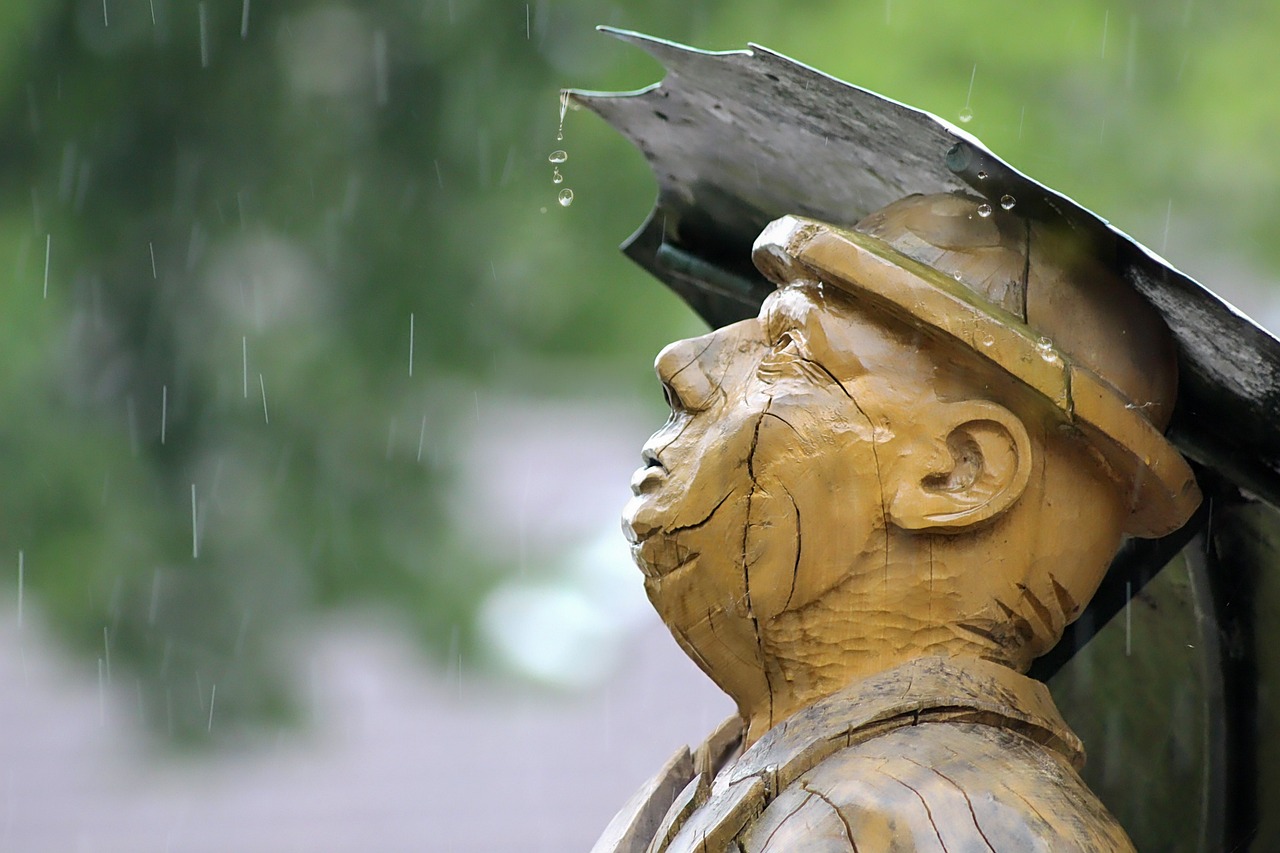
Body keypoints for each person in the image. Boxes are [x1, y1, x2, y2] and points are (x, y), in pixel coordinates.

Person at [594, 192, 1201, 852]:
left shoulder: (961, 819)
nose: (682, 363)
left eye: (788, 343)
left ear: (960, 471)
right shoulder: (708, 794)